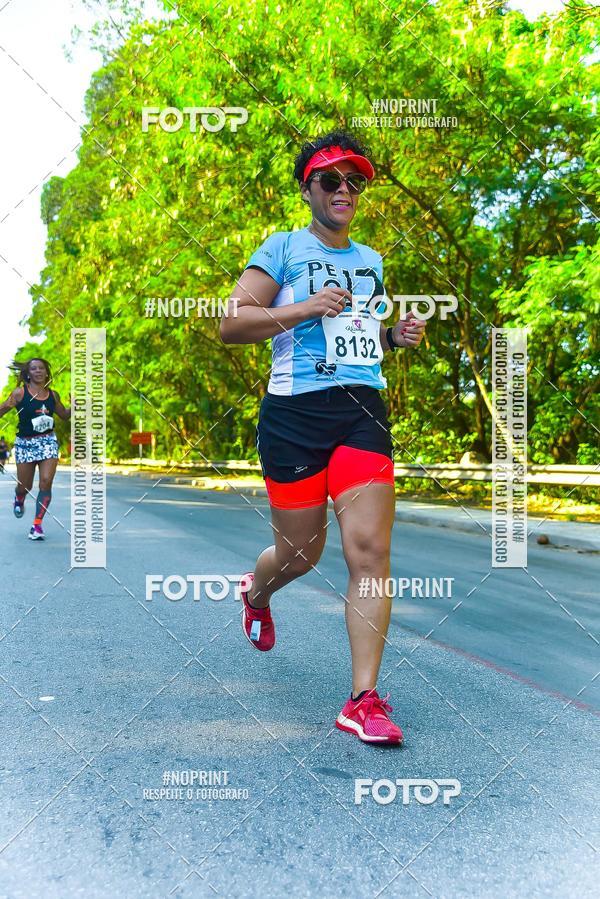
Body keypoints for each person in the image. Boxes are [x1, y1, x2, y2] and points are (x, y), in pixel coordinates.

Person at [220, 131, 426, 745]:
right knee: (301, 556)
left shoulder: (371, 260)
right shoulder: (281, 248)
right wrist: (304, 308)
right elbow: (232, 325)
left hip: (362, 408)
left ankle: (362, 699)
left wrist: (394, 339)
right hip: (294, 416)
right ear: (307, 188)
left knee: (368, 553)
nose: (345, 190)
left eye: (354, 181)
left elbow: (358, 336)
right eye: (330, 180)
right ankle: (257, 591)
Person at [0, 357, 71, 540]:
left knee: (46, 481)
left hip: (48, 441)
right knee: (25, 486)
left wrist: (75, 407)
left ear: (46, 372)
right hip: (25, 443)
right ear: (28, 373)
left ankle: (37, 525)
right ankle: (19, 497)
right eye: (34, 368)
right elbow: (4, 408)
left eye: (41, 368)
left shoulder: (53, 395)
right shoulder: (19, 393)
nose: (38, 371)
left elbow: (64, 415)